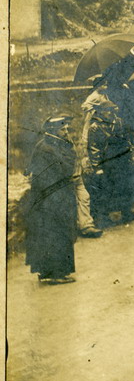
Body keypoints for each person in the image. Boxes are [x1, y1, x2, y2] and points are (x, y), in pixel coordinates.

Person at [22, 115, 80, 284]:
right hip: (50, 200)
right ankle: (55, 274)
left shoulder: (52, 145)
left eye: (67, 129)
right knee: (54, 235)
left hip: (54, 197)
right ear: (54, 131)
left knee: (54, 235)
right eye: (63, 129)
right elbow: (64, 169)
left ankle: (50, 272)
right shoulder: (46, 148)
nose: (66, 132)